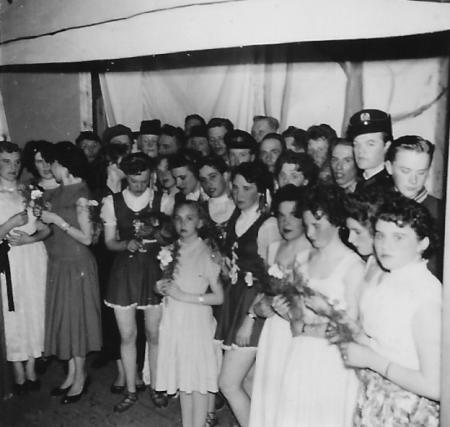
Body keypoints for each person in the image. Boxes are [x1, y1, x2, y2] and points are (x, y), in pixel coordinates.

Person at [339, 195, 441, 426]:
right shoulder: (391, 279)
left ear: (423, 243)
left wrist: (370, 359)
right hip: (376, 401)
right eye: (379, 235)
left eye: (398, 237)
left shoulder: (426, 296)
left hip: (408, 411)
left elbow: (435, 386)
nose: (385, 245)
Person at [273, 184, 364, 427]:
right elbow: (297, 318)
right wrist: (287, 311)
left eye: (317, 225)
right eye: (307, 225)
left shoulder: (353, 266)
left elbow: (353, 327)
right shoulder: (301, 260)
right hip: (301, 354)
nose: (311, 233)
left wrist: (314, 323)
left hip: (333, 360)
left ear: (335, 221)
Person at [101, 153, 168, 412]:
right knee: (128, 335)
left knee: (154, 334)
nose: (139, 186)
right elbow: (109, 242)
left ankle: (157, 386)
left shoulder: (163, 199)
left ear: (151, 176)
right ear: (125, 177)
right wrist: (124, 243)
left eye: (144, 181)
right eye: (133, 181)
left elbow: (171, 238)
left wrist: (158, 234)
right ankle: (130, 389)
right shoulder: (112, 202)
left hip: (153, 271)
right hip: (125, 273)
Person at [215, 161, 280, 427]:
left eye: (247, 188)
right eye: (235, 187)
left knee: (228, 383)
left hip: (253, 306)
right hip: (236, 298)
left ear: (261, 191)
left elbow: (272, 279)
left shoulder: (269, 225)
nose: (239, 194)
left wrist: (250, 318)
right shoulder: (237, 216)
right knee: (249, 380)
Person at [40, 141, 101, 404]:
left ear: (63, 165)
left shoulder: (81, 193)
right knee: (66, 321)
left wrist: (58, 221)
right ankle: (73, 373)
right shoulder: (58, 191)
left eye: (51, 162)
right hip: (59, 263)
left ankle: (80, 377)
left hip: (77, 264)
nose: (48, 167)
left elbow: (87, 238)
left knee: (77, 321)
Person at [156, 200, 224, 427]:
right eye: (178, 218)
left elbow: (219, 297)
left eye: (189, 218)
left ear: (200, 222)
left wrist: (184, 296)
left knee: (198, 382)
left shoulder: (206, 252)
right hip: (175, 319)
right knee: (184, 380)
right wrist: (160, 287)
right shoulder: (171, 250)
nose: (182, 223)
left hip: (196, 322)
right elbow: (170, 281)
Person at [249, 185, 311, 427]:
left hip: (292, 330)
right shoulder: (274, 247)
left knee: (288, 394)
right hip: (273, 328)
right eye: (281, 215)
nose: (286, 222)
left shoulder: (310, 252)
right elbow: (266, 289)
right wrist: (257, 309)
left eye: (293, 216)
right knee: (268, 391)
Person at [0, 141, 50, 394]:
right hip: (10, 263)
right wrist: (10, 224)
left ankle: (31, 365)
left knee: (35, 310)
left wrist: (31, 238)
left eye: (17, 162)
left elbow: (45, 229)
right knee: (14, 314)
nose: (13, 167)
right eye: (6, 162)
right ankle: (18, 369)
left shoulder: (28, 191)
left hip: (33, 257)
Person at [346, 109, 393, 193]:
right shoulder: (363, 182)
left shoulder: (389, 188)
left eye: (370, 144)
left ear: (386, 146)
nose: (360, 150)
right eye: (356, 144)